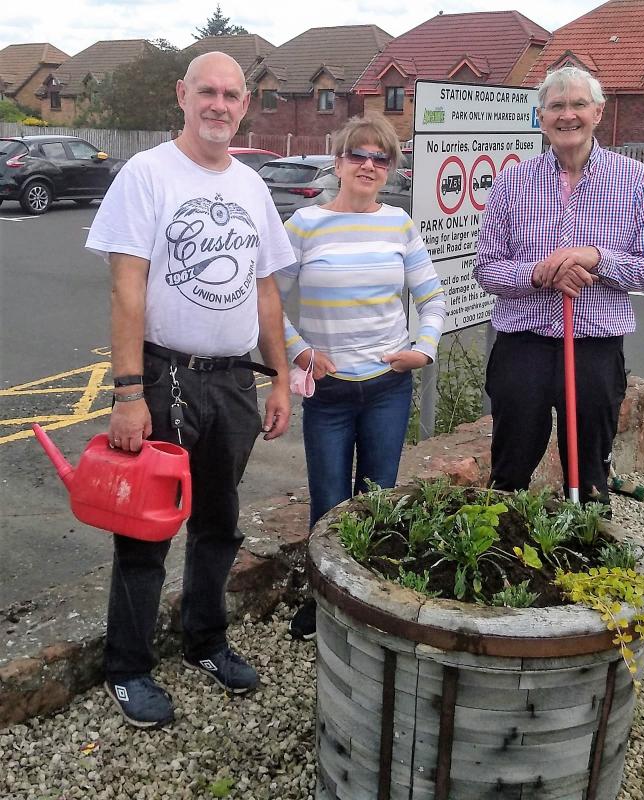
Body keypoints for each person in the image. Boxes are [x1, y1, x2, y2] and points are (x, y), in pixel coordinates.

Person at [85, 52, 295, 729]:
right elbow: (126, 288)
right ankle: (129, 666)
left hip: (232, 382)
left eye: (231, 94)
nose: (219, 104)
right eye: (207, 90)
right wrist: (125, 392)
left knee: (218, 524)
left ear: (244, 104)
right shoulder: (146, 174)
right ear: (182, 95)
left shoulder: (251, 186)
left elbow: (265, 288)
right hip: (161, 379)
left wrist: (281, 375)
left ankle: (206, 641)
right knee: (145, 534)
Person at [277, 114, 446, 639]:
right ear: (339, 162)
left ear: (391, 168)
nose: (369, 165)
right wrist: (300, 351)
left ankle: (369, 598)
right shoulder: (304, 225)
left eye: (382, 158)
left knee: (377, 498)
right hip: (327, 392)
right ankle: (323, 597)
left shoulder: (398, 224)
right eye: (359, 155)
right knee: (328, 502)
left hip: (387, 389)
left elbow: (432, 297)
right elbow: (267, 302)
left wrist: (424, 348)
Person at [474, 66, 644, 508]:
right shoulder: (512, 180)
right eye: (557, 106)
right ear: (541, 117)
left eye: (579, 104)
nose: (568, 115)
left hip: (594, 345)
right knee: (511, 465)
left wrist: (595, 258)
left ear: (598, 112)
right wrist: (541, 274)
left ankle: (587, 546)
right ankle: (504, 551)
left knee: (588, 472)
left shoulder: (632, 178)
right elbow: (487, 269)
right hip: (523, 342)